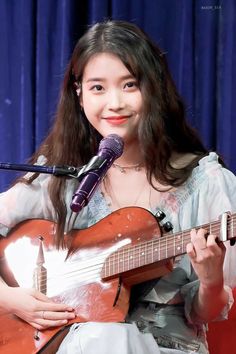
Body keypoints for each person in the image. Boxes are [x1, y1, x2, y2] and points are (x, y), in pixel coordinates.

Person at [0, 20, 236, 354]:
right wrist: (10, 298)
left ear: (154, 90)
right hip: (70, 342)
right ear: (78, 93)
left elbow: (206, 313)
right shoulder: (61, 177)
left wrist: (211, 280)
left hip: (165, 346)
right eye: (98, 88)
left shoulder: (205, 182)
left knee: (107, 339)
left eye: (129, 85)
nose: (114, 103)